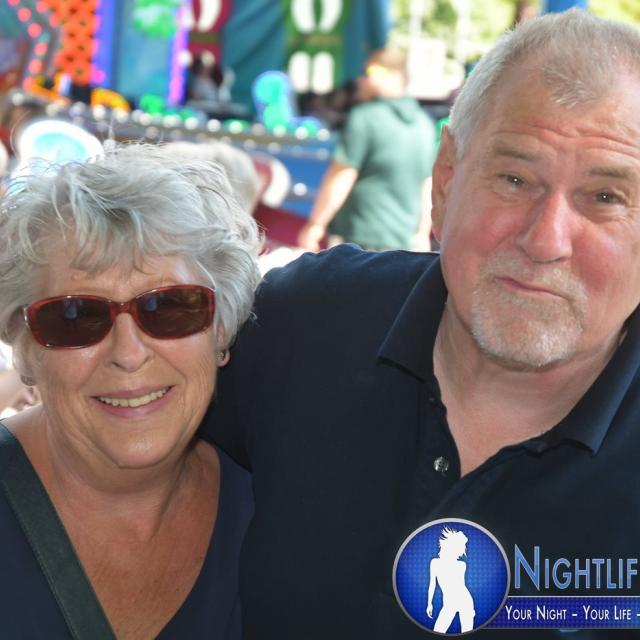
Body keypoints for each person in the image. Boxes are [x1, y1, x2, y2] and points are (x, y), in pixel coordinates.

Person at [206, 9, 640, 639]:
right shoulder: (299, 326)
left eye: (605, 198)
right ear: (444, 183)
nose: (546, 241)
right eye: (515, 178)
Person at [0, 143, 261, 639]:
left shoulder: (276, 515)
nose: (129, 353)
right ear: (27, 345)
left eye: (170, 307)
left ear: (222, 330)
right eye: (76, 315)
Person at [297, 47, 437, 252]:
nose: (361, 80)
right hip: (404, 245)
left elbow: (342, 175)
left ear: (396, 76)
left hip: (359, 240)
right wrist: (422, 233)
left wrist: (316, 224)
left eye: (369, 73)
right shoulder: (424, 124)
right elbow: (428, 184)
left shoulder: (364, 117)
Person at [426, 528, 475, 633]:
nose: (462, 551)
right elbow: (432, 584)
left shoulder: (462, 565)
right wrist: (429, 603)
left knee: (467, 633)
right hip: (449, 604)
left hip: (465, 601)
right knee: (438, 630)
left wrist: (471, 609)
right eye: (460, 547)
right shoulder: (435, 563)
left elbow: (461, 586)